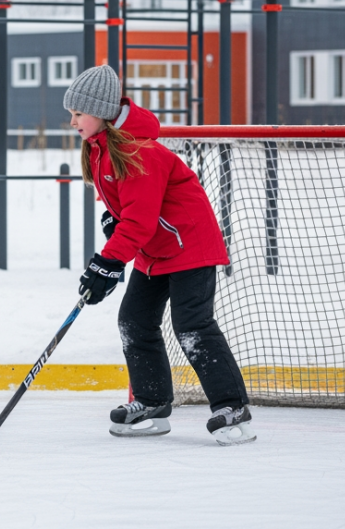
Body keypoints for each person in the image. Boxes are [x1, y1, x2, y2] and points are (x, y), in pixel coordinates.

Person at [64, 65, 255, 446]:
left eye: (78, 114)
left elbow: (140, 219)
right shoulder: (101, 147)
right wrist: (111, 221)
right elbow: (129, 207)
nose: (73, 123)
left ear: (100, 111)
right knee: (134, 321)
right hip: (156, 249)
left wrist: (108, 262)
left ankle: (231, 406)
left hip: (190, 246)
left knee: (192, 327)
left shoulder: (141, 151)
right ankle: (151, 402)